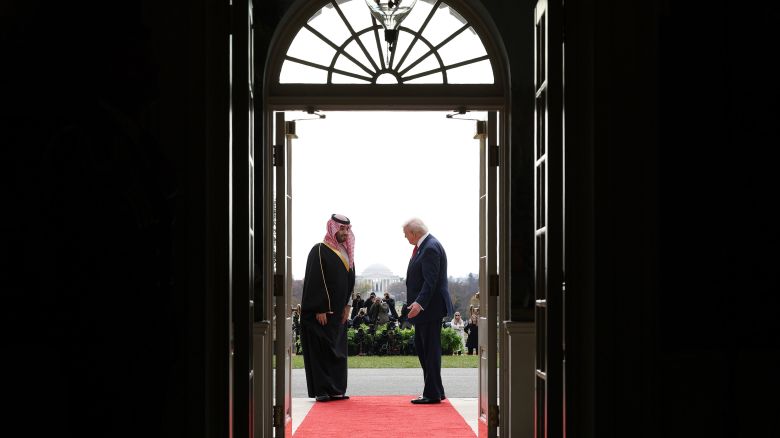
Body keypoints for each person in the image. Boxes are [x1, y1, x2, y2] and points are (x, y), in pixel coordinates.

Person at [299, 214, 355, 402]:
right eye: (341, 229)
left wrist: (348, 306)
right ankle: (322, 390)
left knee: (337, 351)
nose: (345, 233)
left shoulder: (347, 253)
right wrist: (320, 308)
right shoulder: (319, 250)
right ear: (332, 228)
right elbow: (315, 280)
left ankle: (336, 390)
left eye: (347, 229)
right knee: (321, 351)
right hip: (321, 313)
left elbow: (350, 283)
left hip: (339, 314)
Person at [403, 218, 453, 404]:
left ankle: (432, 394)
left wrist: (419, 304)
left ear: (415, 233)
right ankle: (436, 391)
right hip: (428, 309)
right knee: (426, 350)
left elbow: (430, 281)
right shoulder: (426, 246)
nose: (405, 237)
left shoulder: (430, 247)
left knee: (429, 351)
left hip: (429, 309)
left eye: (406, 234)